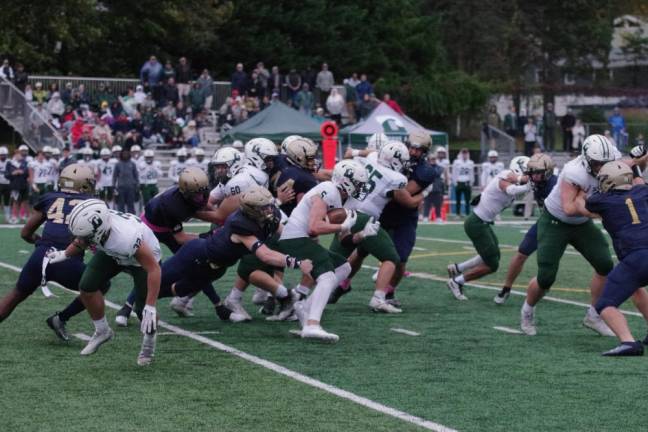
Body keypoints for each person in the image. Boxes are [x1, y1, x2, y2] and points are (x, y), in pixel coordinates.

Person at [520, 134, 622, 337]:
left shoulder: (612, 158)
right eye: (597, 163)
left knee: (605, 264)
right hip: (555, 220)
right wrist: (600, 212)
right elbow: (569, 207)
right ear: (586, 158)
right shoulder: (574, 171)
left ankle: (594, 316)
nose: (602, 167)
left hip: (582, 223)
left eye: (605, 162)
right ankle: (527, 311)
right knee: (546, 276)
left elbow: (629, 166)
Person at [46, 199, 162, 366]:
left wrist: (151, 305)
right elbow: (81, 240)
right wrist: (65, 253)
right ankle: (102, 331)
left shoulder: (126, 238)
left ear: (98, 232)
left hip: (140, 260)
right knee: (87, 286)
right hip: (112, 252)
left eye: (84, 237)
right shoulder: (99, 228)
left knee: (144, 311)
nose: (78, 240)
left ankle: (149, 342)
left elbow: (153, 269)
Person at [277, 160, 366, 341]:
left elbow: (344, 239)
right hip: (293, 238)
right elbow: (313, 228)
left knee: (344, 268)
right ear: (345, 181)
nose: (360, 187)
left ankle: (304, 308)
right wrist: (341, 226)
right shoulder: (328, 189)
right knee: (328, 276)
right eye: (357, 183)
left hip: (301, 238)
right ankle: (312, 324)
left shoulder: (347, 200)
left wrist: (362, 235)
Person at [0, 164, 96, 330]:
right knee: (101, 285)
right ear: (86, 184)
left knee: (16, 295)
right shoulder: (93, 204)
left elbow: (25, 233)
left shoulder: (50, 198)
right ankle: (61, 318)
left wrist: (40, 243)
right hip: (69, 260)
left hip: (41, 257)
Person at [331, 141, 418, 313]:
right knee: (391, 257)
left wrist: (356, 150)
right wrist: (423, 194)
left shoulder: (371, 159)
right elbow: (407, 201)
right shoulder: (397, 179)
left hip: (346, 214)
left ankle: (300, 293)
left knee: (331, 262)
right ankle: (378, 299)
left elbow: (371, 152)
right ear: (395, 161)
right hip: (364, 218)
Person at [583, 161, 648, 356]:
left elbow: (588, 201)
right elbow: (639, 182)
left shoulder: (601, 200)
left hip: (636, 258)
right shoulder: (642, 192)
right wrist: (636, 162)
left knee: (605, 304)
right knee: (636, 289)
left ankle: (628, 342)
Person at [447, 157, 530, 300]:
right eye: (528, 170)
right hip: (477, 223)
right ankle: (456, 281)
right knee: (492, 265)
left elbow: (518, 190)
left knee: (494, 254)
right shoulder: (506, 175)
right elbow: (510, 190)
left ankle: (457, 268)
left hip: (482, 222)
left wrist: (528, 182)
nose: (529, 173)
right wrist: (530, 185)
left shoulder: (513, 178)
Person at [495, 153, 558, 304]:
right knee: (521, 253)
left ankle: (543, 286)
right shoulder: (534, 178)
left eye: (536, 172)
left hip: (560, 225)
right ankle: (506, 288)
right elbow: (514, 181)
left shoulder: (554, 185)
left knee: (548, 262)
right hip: (544, 221)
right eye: (531, 172)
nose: (532, 176)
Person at [421, 152, 446, 223]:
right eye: (431, 159)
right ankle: (425, 217)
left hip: (437, 189)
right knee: (426, 205)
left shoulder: (440, 168)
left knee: (438, 205)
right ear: (428, 160)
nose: (433, 160)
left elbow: (437, 173)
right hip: (428, 189)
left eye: (434, 159)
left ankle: (438, 218)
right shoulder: (425, 168)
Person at [6, 149, 29, 224]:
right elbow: (7, 175)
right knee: (15, 201)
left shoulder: (25, 162)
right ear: (14, 155)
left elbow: (26, 173)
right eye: (16, 154)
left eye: (19, 154)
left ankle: (22, 216)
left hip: (24, 185)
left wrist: (22, 172)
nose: (18, 155)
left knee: (24, 201)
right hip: (15, 185)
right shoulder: (10, 163)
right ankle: (14, 216)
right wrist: (13, 173)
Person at [113, 149, 139, 214]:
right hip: (121, 188)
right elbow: (114, 176)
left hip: (131, 187)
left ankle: (132, 218)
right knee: (120, 205)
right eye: (124, 154)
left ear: (129, 154)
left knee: (131, 204)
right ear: (121, 154)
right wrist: (113, 186)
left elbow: (136, 175)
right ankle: (121, 218)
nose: (125, 155)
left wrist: (137, 184)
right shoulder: (118, 164)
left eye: (126, 153)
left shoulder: (132, 164)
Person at [451, 148, 474, 216]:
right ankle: (458, 213)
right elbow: (454, 172)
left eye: (466, 153)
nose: (464, 155)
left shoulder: (470, 162)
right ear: (461, 154)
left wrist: (471, 182)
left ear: (467, 154)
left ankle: (467, 213)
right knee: (458, 200)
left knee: (467, 200)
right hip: (459, 182)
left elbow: (471, 173)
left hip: (467, 182)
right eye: (463, 153)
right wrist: (454, 182)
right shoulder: (456, 162)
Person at [0, 147, 10, 222]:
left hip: (7, 184)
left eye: (4, 155)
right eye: (1, 155)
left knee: (7, 201)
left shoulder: (9, 162)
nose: (3, 156)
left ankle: (7, 217)